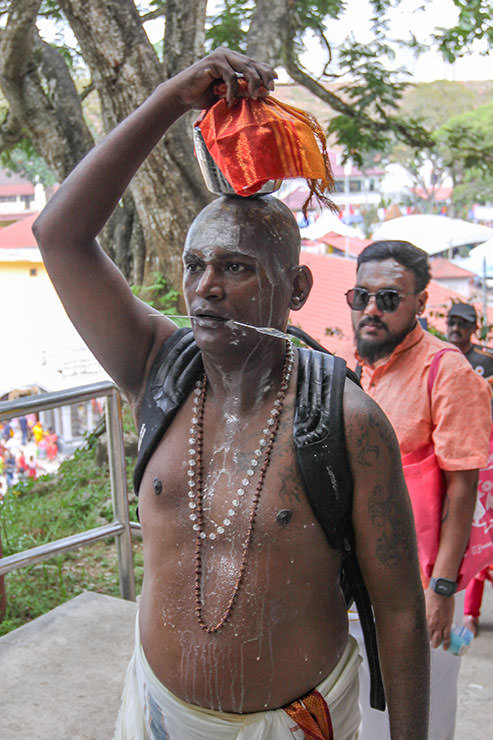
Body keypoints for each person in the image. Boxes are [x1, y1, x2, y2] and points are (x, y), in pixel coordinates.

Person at [32, 49, 429, 740]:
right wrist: (170, 99)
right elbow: (59, 235)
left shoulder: (345, 421)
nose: (206, 288)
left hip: (295, 723)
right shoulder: (155, 364)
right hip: (156, 712)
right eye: (195, 265)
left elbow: (397, 612)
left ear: (296, 290)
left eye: (237, 268)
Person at [342, 240, 491, 740]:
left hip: (427, 588)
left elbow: (462, 491)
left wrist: (443, 591)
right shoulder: (358, 367)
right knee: (367, 716)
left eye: (388, 299)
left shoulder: (447, 372)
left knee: (423, 718)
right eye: (361, 296)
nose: (370, 310)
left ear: (421, 304)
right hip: (361, 584)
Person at [446, 302, 493, 637]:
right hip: (446, 457)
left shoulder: (485, 361)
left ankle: (471, 613)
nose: (455, 327)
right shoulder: (436, 357)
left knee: (478, 527)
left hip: (484, 457)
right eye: (451, 321)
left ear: (473, 327)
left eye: (462, 323)